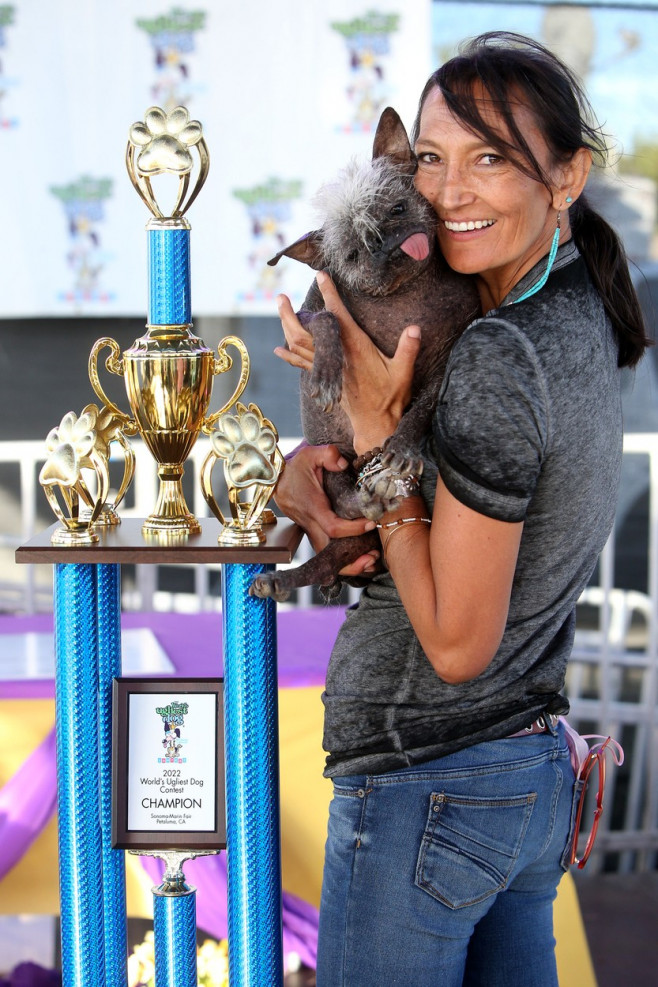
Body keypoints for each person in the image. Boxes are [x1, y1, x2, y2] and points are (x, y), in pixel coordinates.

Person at [273, 32, 650, 987]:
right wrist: (339, 448)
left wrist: (377, 435)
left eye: (491, 158)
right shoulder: (574, 311)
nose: (449, 191)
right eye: (433, 159)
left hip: (428, 779)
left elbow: (455, 642)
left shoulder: (501, 353)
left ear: (568, 176)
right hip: (514, 775)